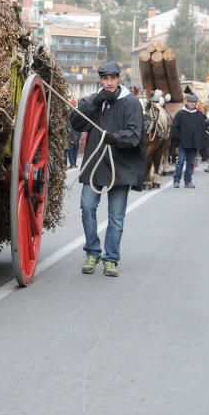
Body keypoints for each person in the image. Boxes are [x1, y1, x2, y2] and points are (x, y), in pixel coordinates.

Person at [70, 61, 145, 278]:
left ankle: (111, 259)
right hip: (95, 163)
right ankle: (92, 252)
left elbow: (134, 135)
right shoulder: (95, 101)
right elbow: (76, 123)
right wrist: (95, 100)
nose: (109, 82)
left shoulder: (131, 103)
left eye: (113, 78)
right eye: (105, 78)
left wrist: (113, 138)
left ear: (118, 78)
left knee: (116, 217)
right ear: (100, 79)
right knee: (87, 206)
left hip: (120, 166)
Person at [171, 94, 206, 188]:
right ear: (187, 102)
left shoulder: (200, 115)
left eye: (193, 102)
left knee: (190, 163)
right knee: (180, 162)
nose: (191, 104)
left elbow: (203, 130)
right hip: (183, 143)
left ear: (196, 103)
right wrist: (179, 138)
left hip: (194, 144)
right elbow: (174, 128)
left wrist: (201, 142)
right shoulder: (180, 113)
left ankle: (188, 181)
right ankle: (176, 180)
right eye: (190, 102)